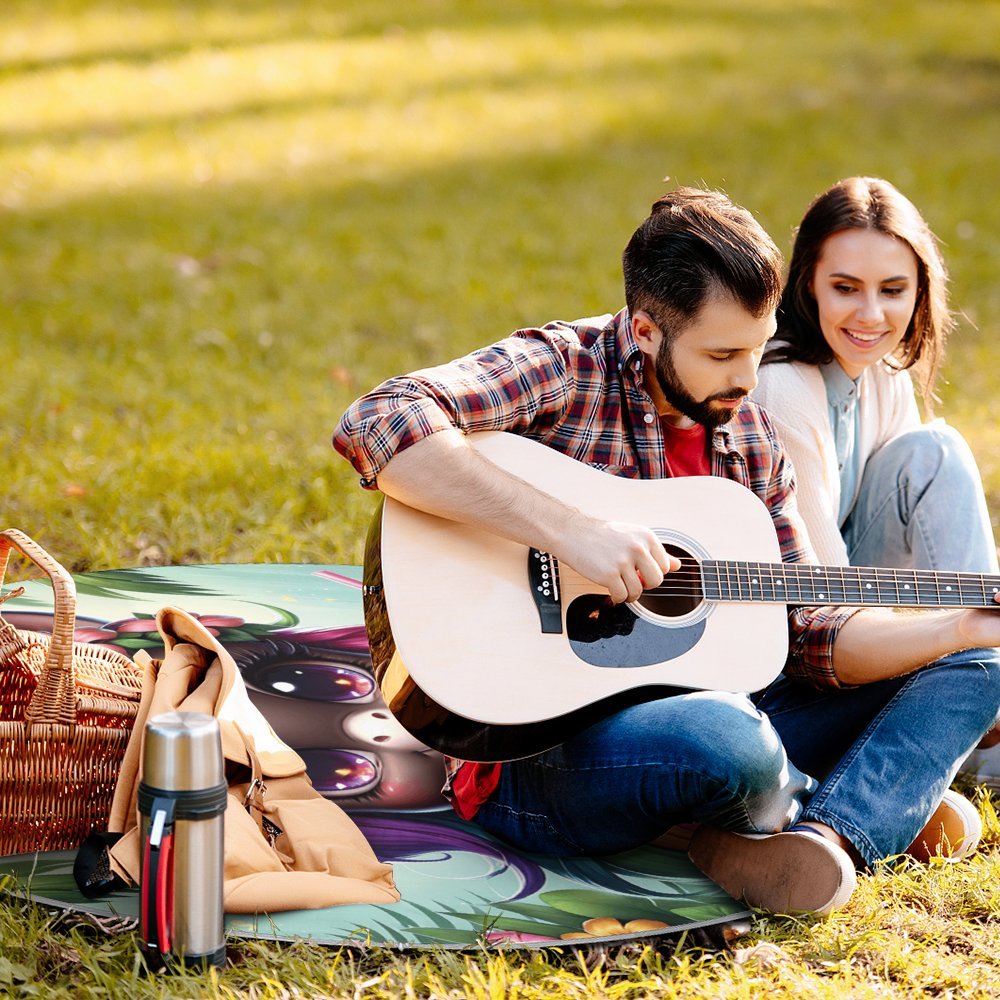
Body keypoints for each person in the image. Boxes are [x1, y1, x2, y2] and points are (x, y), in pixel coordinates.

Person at [333, 187, 1000, 916]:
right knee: (728, 742)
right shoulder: (564, 367)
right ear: (646, 330)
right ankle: (854, 797)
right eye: (722, 354)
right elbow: (380, 419)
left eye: (757, 346)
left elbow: (809, 629)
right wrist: (569, 531)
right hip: (537, 756)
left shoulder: (748, 435)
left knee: (980, 665)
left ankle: (829, 837)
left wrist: (957, 628)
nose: (748, 380)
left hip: (728, 709)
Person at [753, 176, 1000, 790]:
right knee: (937, 451)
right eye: (845, 288)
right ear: (807, 281)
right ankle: (976, 717)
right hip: (796, 646)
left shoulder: (882, 371)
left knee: (931, 451)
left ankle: (979, 693)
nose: (871, 315)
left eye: (893, 290)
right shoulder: (783, 385)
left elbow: (921, 537)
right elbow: (823, 602)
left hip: (861, 610)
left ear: (920, 292)